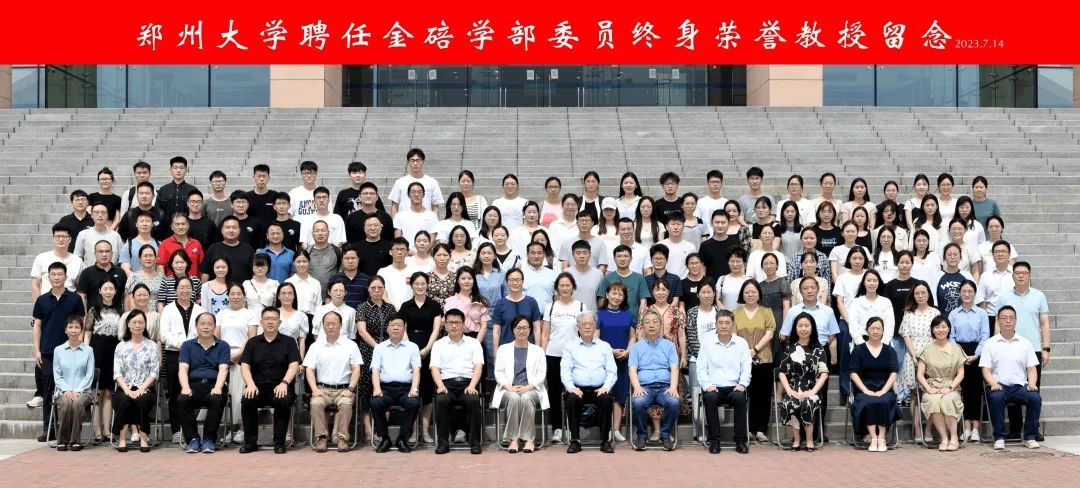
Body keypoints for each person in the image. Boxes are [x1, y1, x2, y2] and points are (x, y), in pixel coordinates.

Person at [995, 262, 1050, 441]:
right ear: (1012, 276)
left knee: (1033, 388)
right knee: (1012, 384)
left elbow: (1044, 324)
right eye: (1017, 273)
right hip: (1009, 346)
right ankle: (1015, 428)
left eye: (1024, 273)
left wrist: (1046, 348)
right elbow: (998, 322)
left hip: (1033, 348)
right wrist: (997, 344)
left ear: (1029, 275)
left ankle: (1033, 428)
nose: (1020, 276)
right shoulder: (1004, 297)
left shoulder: (1039, 296)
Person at [33, 262, 86, 443]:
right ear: (48, 277)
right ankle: (49, 429)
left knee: (70, 390)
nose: (56, 277)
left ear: (66, 276)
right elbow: (37, 326)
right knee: (48, 392)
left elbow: (81, 323)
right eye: (53, 274)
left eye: (60, 274)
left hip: (71, 351)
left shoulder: (74, 299)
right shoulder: (42, 300)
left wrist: (81, 346)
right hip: (48, 352)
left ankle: (69, 429)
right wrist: (37, 350)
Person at [239, 307, 301, 454]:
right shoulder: (252, 343)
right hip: (257, 386)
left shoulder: (289, 342)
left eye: (274, 319)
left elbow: (294, 365)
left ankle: (279, 442)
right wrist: (250, 384)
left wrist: (284, 383)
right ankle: (250, 443)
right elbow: (245, 366)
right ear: (261, 322)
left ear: (279, 322)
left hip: (281, 386)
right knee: (247, 399)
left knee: (282, 399)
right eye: (267, 319)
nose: (270, 322)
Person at [981, 306, 1043, 450]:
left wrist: (1032, 383)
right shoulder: (990, 343)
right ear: (998, 320)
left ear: (1016, 320)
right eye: (1004, 318)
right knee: (996, 398)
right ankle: (999, 437)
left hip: (1020, 386)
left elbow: (1032, 368)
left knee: (1035, 398)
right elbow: (986, 369)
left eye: (1011, 318)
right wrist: (993, 383)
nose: (1008, 321)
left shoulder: (1025, 343)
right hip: (999, 386)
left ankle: (1030, 437)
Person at [304, 311, 363, 452]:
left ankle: (342, 438)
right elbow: (309, 370)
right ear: (323, 326)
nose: (330, 327)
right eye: (327, 324)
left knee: (346, 403)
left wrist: (350, 389)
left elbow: (356, 369)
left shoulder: (350, 345)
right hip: (322, 389)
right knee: (315, 403)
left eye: (334, 324)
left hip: (344, 389)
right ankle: (321, 438)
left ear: (341, 325)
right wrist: (314, 389)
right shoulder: (315, 346)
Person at [430, 309, 485, 454]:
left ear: (463, 324)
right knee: (441, 400)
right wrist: (440, 386)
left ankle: (475, 443)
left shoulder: (473, 343)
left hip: (468, 383)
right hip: (446, 384)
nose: (454, 326)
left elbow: (478, 366)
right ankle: (443, 443)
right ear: (445, 325)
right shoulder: (438, 344)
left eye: (457, 322)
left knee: (473, 400)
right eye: (450, 323)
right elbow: (435, 368)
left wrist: (472, 385)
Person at [561, 312, 618, 453]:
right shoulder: (570, 346)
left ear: (595, 326)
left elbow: (612, 370)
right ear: (578, 327)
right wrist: (571, 387)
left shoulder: (605, 346)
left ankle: (605, 441)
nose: (587, 327)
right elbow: (565, 370)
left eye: (590, 324)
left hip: (600, 389)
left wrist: (606, 387)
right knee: (571, 400)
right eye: (584, 324)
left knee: (606, 400)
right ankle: (575, 440)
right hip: (577, 389)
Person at [698, 309, 752, 454]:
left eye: (727, 323)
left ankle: (740, 441)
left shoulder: (741, 343)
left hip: (734, 387)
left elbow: (746, 366)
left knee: (740, 398)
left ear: (733, 324)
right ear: (716, 324)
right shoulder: (707, 343)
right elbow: (701, 368)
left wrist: (743, 384)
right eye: (720, 323)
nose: (724, 326)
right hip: (714, 387)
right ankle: (714, 441)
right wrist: (707, 385)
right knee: (709, 398)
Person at [398, 272, 444, 443]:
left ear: (427, 285)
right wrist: (411, 348)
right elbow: (402, 328)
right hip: (408, 348)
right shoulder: (406, 306)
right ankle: (412, 431)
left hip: (429, 347)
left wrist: (427, 349)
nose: (420, 286)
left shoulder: (434, 305)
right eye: (416, 283)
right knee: (412, 390)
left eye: (423, 283)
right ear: (412, 285)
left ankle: (425, 431)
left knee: (427, 390)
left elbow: (436, 329)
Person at [493, 315, 549, 453]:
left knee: (526, 398)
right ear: (513, 330)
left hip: (532, 388)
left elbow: (542, 373)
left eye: (525, 328)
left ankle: (529, 439)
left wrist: (529, 387)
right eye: (518, 328)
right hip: (508, 388)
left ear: (530, 330)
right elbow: (498, 372)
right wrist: (509, 386)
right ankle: (513, 439)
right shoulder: (503, 349)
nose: (522, 331)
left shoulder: (538, 351)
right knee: (513, 398)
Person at [539, 272, 584, 444]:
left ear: (573, 287)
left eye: (568, 285)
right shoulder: (550, 307)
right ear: (557, 288)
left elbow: (585, 332)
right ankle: (557, 428)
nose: (565, 288)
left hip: (575, 357)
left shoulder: (581, 306)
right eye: (561, 285)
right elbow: (545, 334)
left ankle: (573, 429)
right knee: (554, 392)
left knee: (573, 392)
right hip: (553, 355)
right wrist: (542, 355)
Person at [159, 276, 205, 442]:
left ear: (193, 290)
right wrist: (182, 345)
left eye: (188, 287)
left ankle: (189, 429)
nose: (185, 290)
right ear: (175, 290)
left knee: (191, 390)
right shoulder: (168, 309)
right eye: (181, 287)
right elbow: (164, 334)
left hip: (195, 354)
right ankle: (176, 429)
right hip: (174, 354)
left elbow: (204, 331)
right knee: (175, 391)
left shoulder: (200, 310)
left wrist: (191, 347)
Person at [176, 312, 229, 454]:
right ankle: (192, 439)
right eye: (202, 324)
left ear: (214, 327)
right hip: (193, 385)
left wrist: (218, 387)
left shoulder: (223, 346)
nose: (206, 327)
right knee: (182, 400)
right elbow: (183, 368)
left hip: (214, 385)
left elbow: (223, 369)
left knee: (217, 399)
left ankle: (209, 439)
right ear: (196, 327)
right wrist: (185, 387)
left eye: (209, 324)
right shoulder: (187, 345)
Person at [628, 310, 681, 451]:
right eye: (647, 322)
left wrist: (673, 387)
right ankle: (642, 436)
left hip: (665, 387)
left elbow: (674, 368)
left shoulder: (669, 346)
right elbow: (632, 370)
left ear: (660, 325)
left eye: (655, 322)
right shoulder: (636, 347)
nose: (651, 325)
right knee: (638, 402)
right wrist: (637, 388)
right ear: (643, 326)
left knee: (674, 402)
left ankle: (665, 435)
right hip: (645, 387)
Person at [370, 315, 422, 453]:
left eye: (399, 325)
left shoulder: (412, 347)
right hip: (385, 389)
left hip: (406, 389)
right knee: (376, 402)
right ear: (387, 328)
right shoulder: (379, 348)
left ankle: (402, 438)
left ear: (404, 328)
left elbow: (416, 370)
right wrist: (377, 389)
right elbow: (375, 371)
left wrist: (414, 389)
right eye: (392, 325)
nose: (396, 328)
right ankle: (384, 438)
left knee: (413, 403)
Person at [849, 317, 902, 452]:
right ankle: (873, 438)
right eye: (872, 328)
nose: (875, 331)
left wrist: (884, 390)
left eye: (878, 328)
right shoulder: (859, 350)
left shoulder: (889, 350)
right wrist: (865, 390)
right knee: (868, 401)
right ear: (867, 330)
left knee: (884, 400)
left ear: (883, 331)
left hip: (885, 387)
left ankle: (882, 438)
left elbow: (894, 373)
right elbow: (853, 373)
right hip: (864, 388)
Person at [778, 313, 829, 452]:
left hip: (812, 390)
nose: (803, 328)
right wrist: (789, 391)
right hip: (793, 389)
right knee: (790, 403)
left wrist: (812, 392)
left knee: (808, 403)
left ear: (812, 328)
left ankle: (810, 440)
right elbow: (782, 372)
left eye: (806, 325)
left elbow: (824, 373)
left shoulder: (819, 349)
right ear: (795, 328)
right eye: (800, 325)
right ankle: (796, 440)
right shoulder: (789, 348)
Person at [111, 310, 160, 453]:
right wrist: (127, 389)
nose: (137, 325)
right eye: (134, 322)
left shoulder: (151, 345)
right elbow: (117, 372)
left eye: (140, 322)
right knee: (124, 399)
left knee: (142, 400)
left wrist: (141, 388)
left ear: (145, 325)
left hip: (146, 388)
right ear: (128, 324)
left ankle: (143, 437)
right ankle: (122, 438)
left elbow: (154, 371)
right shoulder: (121, 346)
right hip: (124, 387)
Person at [356, 276, 398, 440]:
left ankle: (381, 427)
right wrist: (377, 347)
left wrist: (385, 348)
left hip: (389, 352)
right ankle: (368, 429)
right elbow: (362, 331)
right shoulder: (362, 307)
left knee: (385, 386)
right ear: (368, 289)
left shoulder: (390, 308)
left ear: (384, 289)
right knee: (366, 389)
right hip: (368, 351)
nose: (376, 290)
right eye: (373, 287)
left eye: (380, 287)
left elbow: (396, 328)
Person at [216, 283, 258, 443]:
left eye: (239, 293)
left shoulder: (250, 314)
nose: (235, 297)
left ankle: (242, 428)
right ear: (228, 296)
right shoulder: (221, 314)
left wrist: (237, 356)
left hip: (243, 359)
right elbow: (216, 337)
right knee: (228, 394)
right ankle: (231, 429)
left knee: (240, 394)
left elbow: (252, 339)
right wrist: (225, 356)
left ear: (244, 296)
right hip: (224, 359)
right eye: (232, 293)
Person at [898, 280, 940, 442]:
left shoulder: (935, 313)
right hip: (912, 357)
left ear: (929, 294)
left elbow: (938, 334)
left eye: (923, 292)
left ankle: (928, 430)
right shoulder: (909, 313)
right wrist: (914, 355)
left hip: (931, 356)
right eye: (917, 293)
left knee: (930, 392)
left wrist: (928, 356)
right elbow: (906, 335)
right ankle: (917, 430)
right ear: (913, 296)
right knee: (915, 395)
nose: (920, 296)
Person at [734, 280, 775, 444]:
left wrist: (755, 350)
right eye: (747, 292)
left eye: (753, 292)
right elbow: (733, 336)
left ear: (759, 293)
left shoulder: (767, 311)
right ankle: (746, 428)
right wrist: (747, 353)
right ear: (742, 294)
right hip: (741, 360)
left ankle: (760, 429)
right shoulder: (735, 313)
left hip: (764, 358)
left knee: (762, 395)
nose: (750, 295)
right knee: (744, 394)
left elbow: (770, 333)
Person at [917, 315, 966, 451]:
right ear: (932, 330)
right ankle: (944, 438)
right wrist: (928, 388)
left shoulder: (957, 349)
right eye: (937, 327)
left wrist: (950, 387)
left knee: (948, 400)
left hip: (951, 386)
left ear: (949, 329)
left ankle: (954, 438)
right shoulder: (926, 350)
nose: (940, 330)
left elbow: (961, 373)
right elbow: (920, 374)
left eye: (944, 327)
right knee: (933, 401)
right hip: (932, 387)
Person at [596, 282, 637, 443]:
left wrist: (628, 350)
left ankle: (616, 429)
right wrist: (611, 351)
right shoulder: (599, 315)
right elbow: (596, 338)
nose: (616, 297)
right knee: (605, 394)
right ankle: (605, 429)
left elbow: (632, 337)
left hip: (623, 360)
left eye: (620, 294)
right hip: (604, 360)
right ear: (607, 295)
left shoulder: (628, 315)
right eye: (613, 293)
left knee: (620, 394)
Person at [950, 280, 990, 442]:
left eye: (970, 291)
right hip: (959, 352)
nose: (967, 294)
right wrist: (961, 355)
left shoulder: (982, 313)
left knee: (976, 391)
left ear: (974, 294)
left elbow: (985, 335)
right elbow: (951, 336)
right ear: (960, 293)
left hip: (977, 353)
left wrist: (976, 354)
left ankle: (976, 428)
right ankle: (966, 426)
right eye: (964, 291)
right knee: (964, 390)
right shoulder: (953, 314)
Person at [84, 278, 123, 443]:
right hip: (96, 351)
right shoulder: (94, 310)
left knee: (108, 392)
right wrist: (86, 353)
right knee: (96, 392)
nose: (108, 292)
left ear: (115, 291)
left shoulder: (121, 310)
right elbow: (87, 332)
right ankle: (97, 431)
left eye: (111, 288)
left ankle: (107, 430)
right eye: (105, 288)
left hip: (113, 352)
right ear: (100, 291)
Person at [51, 315, 95, 451]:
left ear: (81, 330)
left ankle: (75, 440)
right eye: (70, 327)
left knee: (76, 403)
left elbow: (89, 375)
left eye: (77, 327)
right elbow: (57, 375)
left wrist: (78, 391)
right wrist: (66, 390)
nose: (74, 330)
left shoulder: (88, 351)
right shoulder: (58, 350)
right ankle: (63, 440)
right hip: (62, 391)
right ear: (65, 330)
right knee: (66, 403)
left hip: (84, 391)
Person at [389, 148, 444, 217]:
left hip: (425, 221)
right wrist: (395, 223)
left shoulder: (432, 182)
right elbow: (394, 206)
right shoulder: (400, 182)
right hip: (404, 221)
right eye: (412, 160)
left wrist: (434, 222)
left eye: (418, 160)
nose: (415, 163)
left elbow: (435, 206)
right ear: (408, 162)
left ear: (423, 161)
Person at [200, 216, 255, 283]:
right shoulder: (213, 248)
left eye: (234, 228)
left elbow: (254, 273)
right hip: (218, 289)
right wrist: (204, 288)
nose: (231, 230)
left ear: (239, 230)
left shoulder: (248, 249)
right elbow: (205, 272)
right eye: (227, 227)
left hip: (242, 288)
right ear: (222, 230)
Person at [73, 203, 123, 269]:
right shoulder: (83, 234)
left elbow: (121, 258)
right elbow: (77, 257)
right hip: (89, 273)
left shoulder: (116, 236)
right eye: (96, 212)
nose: (100, 215)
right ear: (91, 215)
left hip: (111, 273)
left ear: (107, 215)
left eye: (103, 212)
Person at [156, 156, 196, 221]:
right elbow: (158, 210)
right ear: (170, 170)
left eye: (181, 168)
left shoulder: (193, 190)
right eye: (175, 167)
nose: (178, 170)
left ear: (186, 170)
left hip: (187, 225)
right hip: (167, 226)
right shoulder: (163, 190)